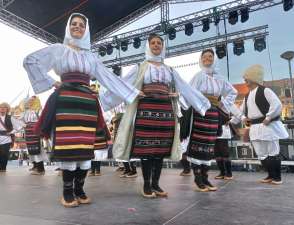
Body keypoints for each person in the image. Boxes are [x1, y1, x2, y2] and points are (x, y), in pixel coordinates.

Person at [23, 13, 141, 207]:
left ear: (86, 30)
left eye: (81, 25)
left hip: (87, 103)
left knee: (86, 149)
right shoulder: (58, 49)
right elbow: (30, 60)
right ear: (69, 28)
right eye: (74, 24)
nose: (77, 27)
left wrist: (134, 93)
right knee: (70, 147)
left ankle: (80, 188)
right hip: (66, 101)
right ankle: (67, 192)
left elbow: (109, 78)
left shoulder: (91, 56)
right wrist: (52, 82)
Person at [101, 33, 211, 198]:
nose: (156, 45)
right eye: (152, 43)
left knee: (160, 150)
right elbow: (123, 84)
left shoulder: (170, 70)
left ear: (162, 46)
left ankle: (156, 185)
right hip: (146, 112)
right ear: (148, 46)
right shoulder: (140, 67)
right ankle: (146, 185)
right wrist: (132, 92)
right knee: (146, 150)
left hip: (165, 113)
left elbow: (184, 87)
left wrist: (185, 98)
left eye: (159, 43)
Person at [182, 49, 237, 192]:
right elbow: (188, 93)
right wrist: (197, 104)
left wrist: (222, 104)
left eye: (210, 56)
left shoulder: (220, 78)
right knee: (197, 144)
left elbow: (233, 92)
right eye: (205, 57)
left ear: (214, 59)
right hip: (200, 113)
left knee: (209, 145)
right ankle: (198, 178)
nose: (207, 59)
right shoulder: (198, 76)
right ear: (201, 59)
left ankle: (206, 178)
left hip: (213, 114)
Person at [230, 65, 288, 185]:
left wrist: (268, 117)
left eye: (246, 79)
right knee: (261, 153)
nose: (244, 81)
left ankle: (277, 177)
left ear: (253, 78)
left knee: (273, 151)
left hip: (268, 126)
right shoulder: (247, 96)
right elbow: (242, 113)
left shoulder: (265, 90)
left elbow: (276, 104)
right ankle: (270, 175)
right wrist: (231, 122)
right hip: (255, 127)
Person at [20, 96, 47, 175]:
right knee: (31, 150)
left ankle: (41, 169)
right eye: (29, 101)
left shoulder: (39, 110)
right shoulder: (26, 111)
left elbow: (42, 120)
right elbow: (22, 120)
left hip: (36, 132)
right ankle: (35, 166)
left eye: (32, 101)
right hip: (28, 132)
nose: (30, 102)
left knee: (37, 150)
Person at [0, 102, 24, 172]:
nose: (2, 109)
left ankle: (3, 168)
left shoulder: (10, 117)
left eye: (4, 108)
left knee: (4, 154)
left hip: (6, 138)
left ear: (7, 109)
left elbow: (18, 127)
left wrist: (11, 132)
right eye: (1, 107)